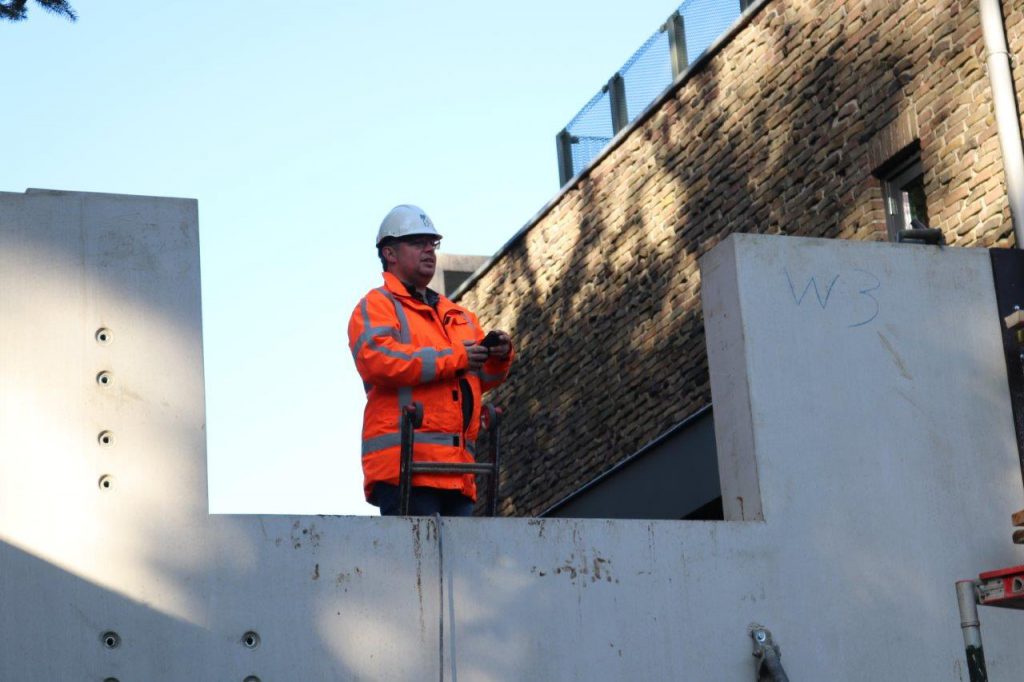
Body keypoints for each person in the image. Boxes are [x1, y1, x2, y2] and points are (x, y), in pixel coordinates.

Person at [348, 204, 514, 516]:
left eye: (432, 244)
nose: (429, 251)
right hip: (406, 468)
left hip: (458, 472)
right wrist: (456, 359)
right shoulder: (376, 306)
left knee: (455, 565)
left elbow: (480, 380)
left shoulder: (458, 314)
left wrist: (498, 358)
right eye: (417, 243)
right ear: (389, 254)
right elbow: (379, 361)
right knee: (418, 564)